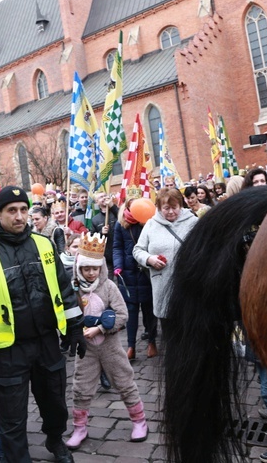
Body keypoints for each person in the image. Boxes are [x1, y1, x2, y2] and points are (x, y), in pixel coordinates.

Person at [0, 185, 86, 463]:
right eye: (11, 210)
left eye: (24, 210)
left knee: (55, 405)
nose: (19, 216)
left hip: (46, 342)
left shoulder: (44, 244)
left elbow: (63, 289)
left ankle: (55, 441)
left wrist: (75, 327)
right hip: (7, 350)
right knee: (11, 416)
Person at [66, 233, 148, 449]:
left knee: (124, 381)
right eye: (86, 268)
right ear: (79, 268)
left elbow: (123, 315)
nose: (91, 272)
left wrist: (101, 327)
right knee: (81, 387)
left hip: (110, 347)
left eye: (95, 268)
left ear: (101, 267)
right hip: (86, 349)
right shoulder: (74, 289)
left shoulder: (109, 287)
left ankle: (139, 421)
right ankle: (79, 427)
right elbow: (68, 314)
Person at [133, 188, 197, 323]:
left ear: (181, 205)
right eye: (166, 208)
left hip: (189, 286)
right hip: (163, 286)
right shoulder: (151, 224)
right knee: (170, 329)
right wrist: (149, 259)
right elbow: (138, 250)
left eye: (174, 207)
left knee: (191, 326)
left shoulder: (193, 222)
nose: (171, 212)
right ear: (159, 207)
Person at [113, 199, 157, 360]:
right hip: (128, 274)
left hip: (145, 272)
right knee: (130, 312)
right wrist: (118, 266)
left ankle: (152, 341)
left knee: (149, 311)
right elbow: (117, 247)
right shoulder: (120, 224)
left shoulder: (149, 222)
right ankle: (131, 346)